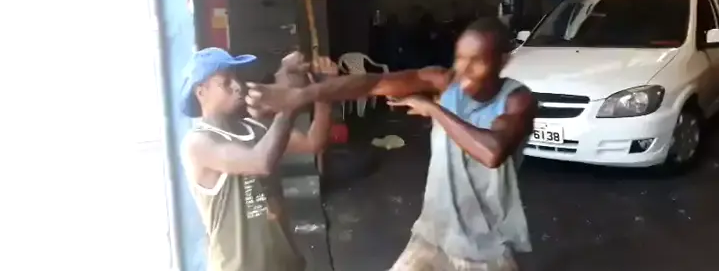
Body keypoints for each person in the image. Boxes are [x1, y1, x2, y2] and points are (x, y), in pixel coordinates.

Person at [246, 18, 538, 271]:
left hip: (486, 247)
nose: (464, 71)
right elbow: (373, 83)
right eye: (460, 58)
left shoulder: (517, 100)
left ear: (502, 61)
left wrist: (434, 109)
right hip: (434, 234)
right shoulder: (444, 81)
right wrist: (301, 96)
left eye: (477, 62)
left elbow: (492, 152)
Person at [179, 47, 337, 271]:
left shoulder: (254, 129)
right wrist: (288, 104)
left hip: (286, 264)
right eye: (225, 82)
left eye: (236, 78)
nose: (237, 86)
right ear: (201, 92)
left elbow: (313, 142)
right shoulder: (198, 143)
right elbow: (260, 162)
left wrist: (323, 93)